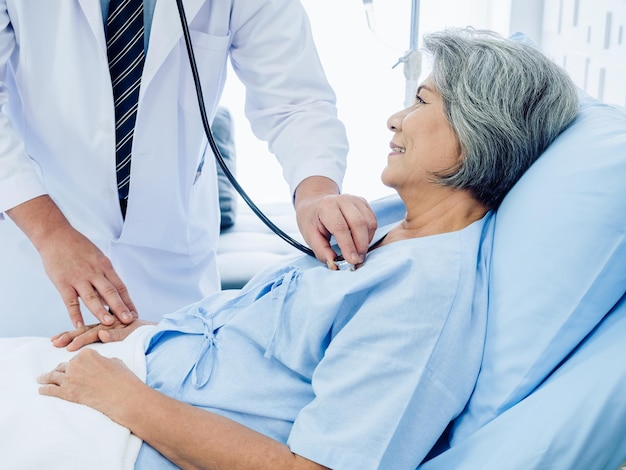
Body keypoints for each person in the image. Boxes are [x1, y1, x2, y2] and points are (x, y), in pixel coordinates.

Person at [3, 28, 579, 469]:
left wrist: (122, 397)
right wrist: (148, 337)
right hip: (128, 373)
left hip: (126, 431)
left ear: (477, 134)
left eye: (422, 102)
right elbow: (271, 352)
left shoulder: (423, 294)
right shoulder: (387, 228)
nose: (394, 117)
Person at [0, 0, 377, 332]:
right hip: (33, 253)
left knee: (165, 399)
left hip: (168, 263)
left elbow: (295, 100)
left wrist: (316, 192)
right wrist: (49, 231)